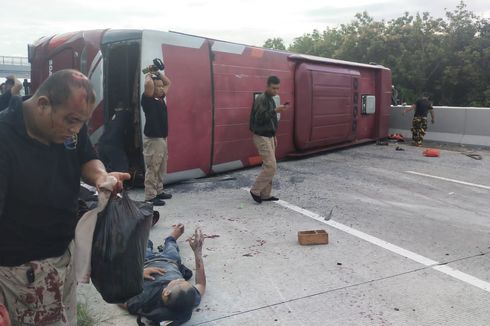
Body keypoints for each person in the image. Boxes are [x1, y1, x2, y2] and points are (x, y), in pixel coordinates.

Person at [0, 69, 130, 325]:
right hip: (20, 272)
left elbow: (86, 157)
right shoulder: (4, 138)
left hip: (63, 259)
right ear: (43, 104)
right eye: (71, 121)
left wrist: (101, 177)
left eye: (82, 123)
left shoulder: (72, 128)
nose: (76, 130)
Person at [122, 225, 206, 325]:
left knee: (143, 242)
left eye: (177, 282)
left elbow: (117, 298)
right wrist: (198, 252)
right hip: (171, 260)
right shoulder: (188, 299)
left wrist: (137, 275)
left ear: (166, 293)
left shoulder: (142, 300)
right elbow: (201, 284)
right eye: (183, 280)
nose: (180, 279)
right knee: (171, 244)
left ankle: (142, 231)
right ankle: (172, 237)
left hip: (146, 261)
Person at [249, 76, 288, 203]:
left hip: (269, 136)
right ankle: (255, 190)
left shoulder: (270, 99)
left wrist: (274, 135)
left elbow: (270, 120)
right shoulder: (262, 99)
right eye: (273, 88)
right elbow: (260, 118)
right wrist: (275, 110)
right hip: (261, 136)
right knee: (271, 166)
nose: (276, 91)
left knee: (269, 165)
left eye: (278, 88)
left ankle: (265, 194)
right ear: (267, 86)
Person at [141, 67, 172, 206]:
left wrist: (158, 73)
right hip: (153, 139)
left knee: (161, 167)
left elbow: (168, 83)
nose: (160, 88)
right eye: (157, 86)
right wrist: (148, 74)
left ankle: (159, 191)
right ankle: (150, 196)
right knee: (153, 168)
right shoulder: (147, 99)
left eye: (160, 87)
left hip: (162, 138)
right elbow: (148, 84)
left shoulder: (160, 98)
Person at [98, 102, 132, 173]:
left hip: (102, 144)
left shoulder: (114, 116)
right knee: (122, 167)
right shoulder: (125, 114)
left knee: (107, 168)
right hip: (114, 144)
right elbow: (128, 132)